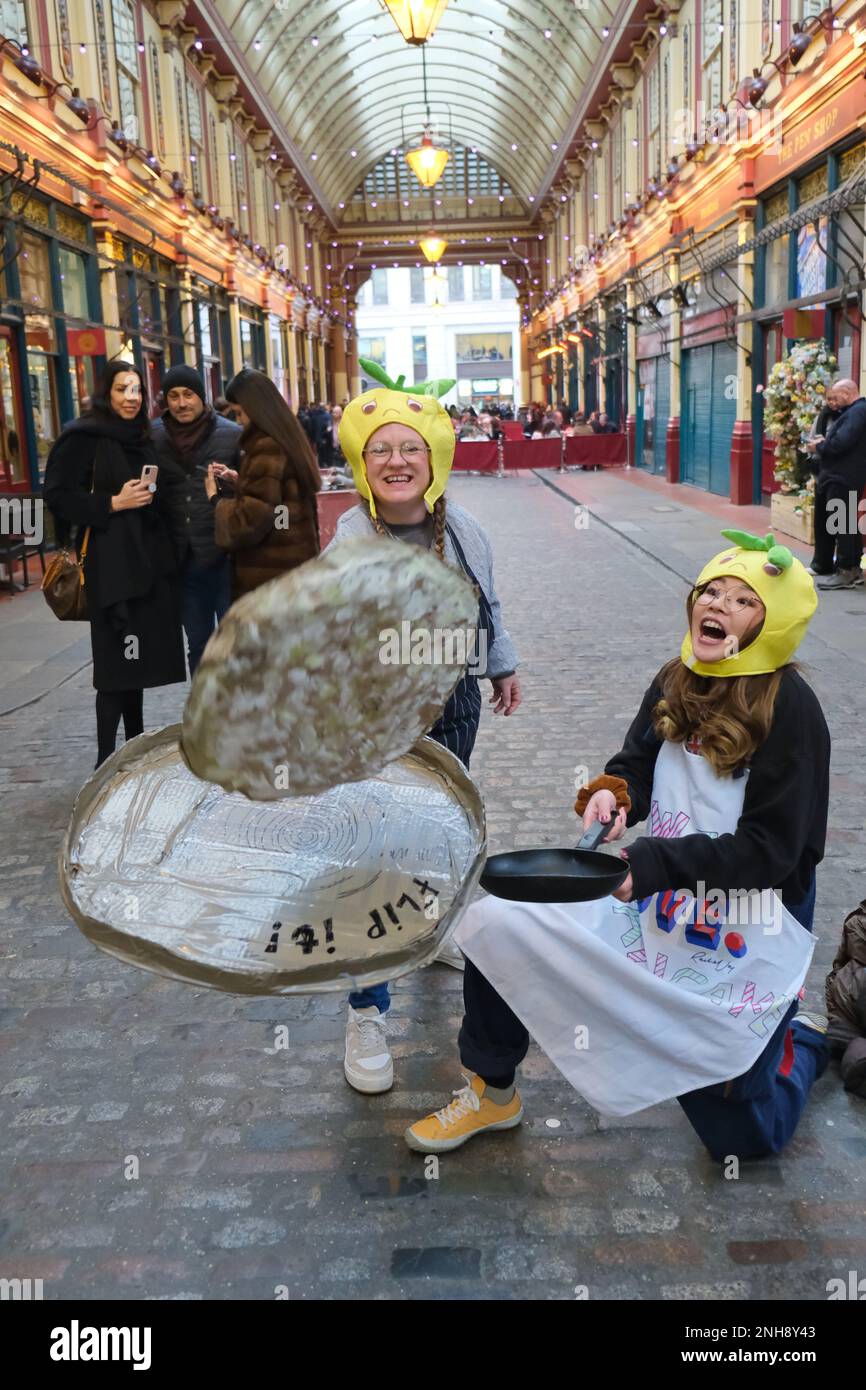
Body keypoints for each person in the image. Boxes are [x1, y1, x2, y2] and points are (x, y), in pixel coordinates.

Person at [404, 529, 832, 1161]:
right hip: (654, 901)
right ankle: (491, 1089)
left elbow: (773, 852)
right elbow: (636, 761)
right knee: (500, 917)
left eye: (742, 600)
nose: (717, 605)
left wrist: (655, 864)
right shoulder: (676, 676)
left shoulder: (792, 709)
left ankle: (802, 1040)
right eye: (710, 591)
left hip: (744, 924)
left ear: (775, 622)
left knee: (742, 1138)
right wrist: (617, 794)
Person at [330, 359, 522, 1095]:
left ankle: (436, 930)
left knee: (444, 837)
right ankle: (366, 1009)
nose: (397, 461)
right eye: (381, 449)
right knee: (373, 864)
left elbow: (490, 606)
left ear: (434, 457)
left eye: (410, 447)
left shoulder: (465, 528)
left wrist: (500, 666)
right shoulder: (349, 541)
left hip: (456, 708)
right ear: (363, 462)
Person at [44, 361, 185, 766]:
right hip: (109, 569)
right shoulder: (82, 437)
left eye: (138, 390)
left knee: (134, 666)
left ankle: (135, 749)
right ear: (106, 393)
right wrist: (111, 502)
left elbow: (164, 487)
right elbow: (56, 496)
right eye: (123, 389)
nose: (132, 398)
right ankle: (105, 759)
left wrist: (150, 492)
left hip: (147, 566)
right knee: (112, 670)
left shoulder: (143, 436)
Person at [151, 366, 242, 675]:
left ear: (201, 397)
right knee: (198, 642)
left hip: (226, 555)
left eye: (188, 395)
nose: (181, 403)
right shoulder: (153, 436)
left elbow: (253, 488)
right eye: (173, 396)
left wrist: (235, 482)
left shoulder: (231, 434)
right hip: (183, 560)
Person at [205, 369, 321, 599]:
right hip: (294, 571)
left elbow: (250, 520)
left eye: (239, 413)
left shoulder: (265, 445)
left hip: (268, 578)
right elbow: (278, 497)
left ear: (254, 408)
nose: (239, 421)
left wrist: (216, 499)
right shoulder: (287, 437)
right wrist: (242, 481)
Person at [804, 377, 866, 590]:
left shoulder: (858, 411)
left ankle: (846, 570)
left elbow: (842, 441)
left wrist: (819, 447)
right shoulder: (853, 412)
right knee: (842, 522)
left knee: (843, 524)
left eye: (836, 396)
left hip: (843, 476)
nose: (833, 401)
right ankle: (849, 569)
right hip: (840, 476)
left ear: (848, 392)